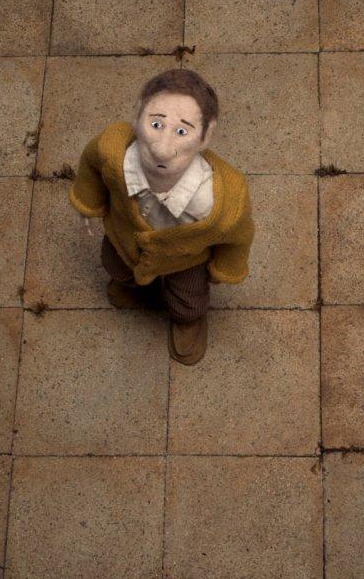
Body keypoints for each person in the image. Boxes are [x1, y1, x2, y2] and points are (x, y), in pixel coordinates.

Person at [68, 68, 255, 365]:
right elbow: (91, 162)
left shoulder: (221, 201)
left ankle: (188, 320)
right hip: (123, 237)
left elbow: (239, 236)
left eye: (182, 131)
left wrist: (224, 269)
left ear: (205, 136)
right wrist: (87, 203)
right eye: (156, 124)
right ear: (136, 115)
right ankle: (128, 282)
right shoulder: (112, 149)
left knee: (188, 298)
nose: (162, 150)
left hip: (185, 260)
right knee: (115, 264)